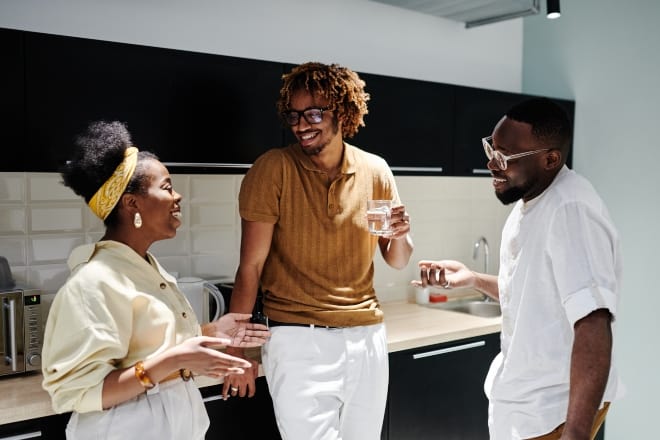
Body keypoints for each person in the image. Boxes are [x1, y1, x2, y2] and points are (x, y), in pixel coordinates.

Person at [41, 121, 270, 440]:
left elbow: (148, 347)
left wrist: (211, 332)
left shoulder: (146, 267)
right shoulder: (95, 280)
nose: (178, 197)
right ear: (131, 203)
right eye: (166, 187)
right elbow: (80, 392)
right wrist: (176, 359)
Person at [223, 61, 414, 439]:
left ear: (343, 112)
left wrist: (402, 234)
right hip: (298, 340)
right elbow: (250, 267)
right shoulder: (273, 169)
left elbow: (396, 258)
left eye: (313, 113)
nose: (301, 125)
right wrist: (236, 353)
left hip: (367, 337)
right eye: (293, 115)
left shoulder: (375, 171)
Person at [413, 97, 623, 440]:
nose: (492, 165)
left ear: (550, 159)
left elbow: (593, 324)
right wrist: (473, 279)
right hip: (525, 406)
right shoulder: (530, 203)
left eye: (504, 156)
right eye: (491, 149)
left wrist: (576, 433)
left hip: (551, 411)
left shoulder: (570, 210)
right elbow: (533, 292)